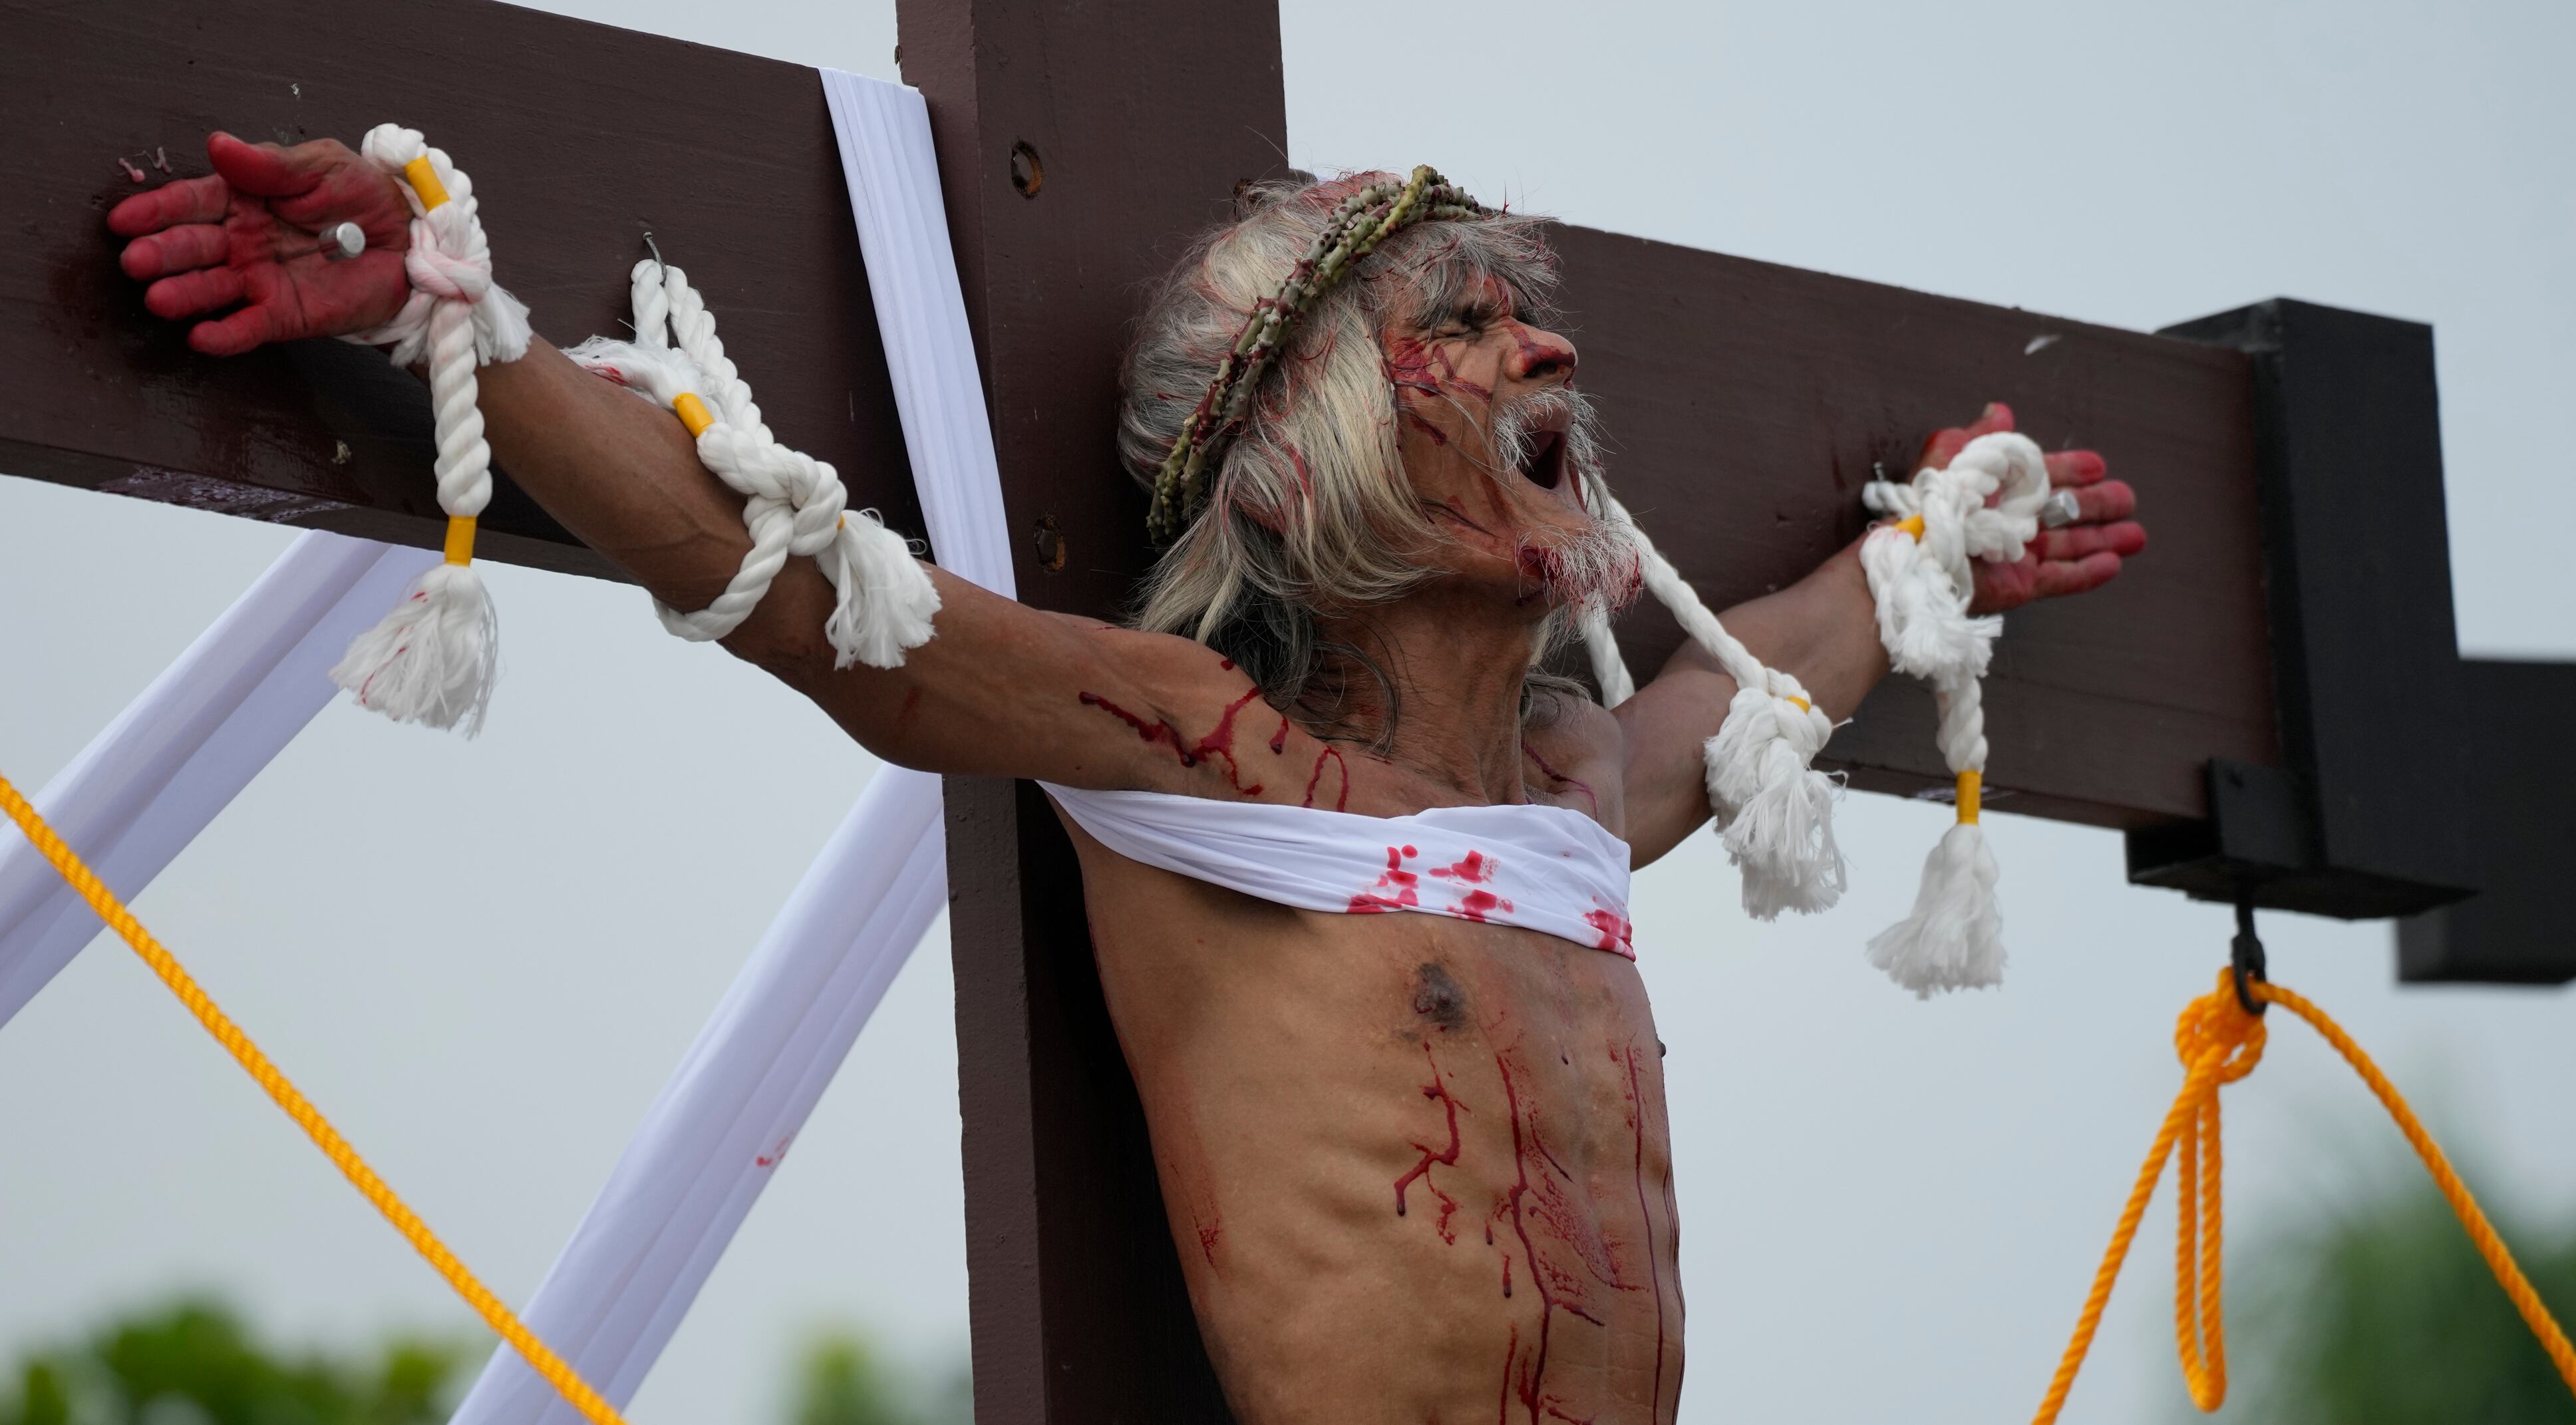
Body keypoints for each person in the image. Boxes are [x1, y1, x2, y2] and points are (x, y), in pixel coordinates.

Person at [106, 134, 2144, 1425]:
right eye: (1465, 323)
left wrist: (1939, 556)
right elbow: (829, 614)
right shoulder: (1214, 754)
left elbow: (1778, 668)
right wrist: (454, 317)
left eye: (1535, 321)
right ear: (1309, 445)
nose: (1541, 357)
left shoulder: (1570, 781)